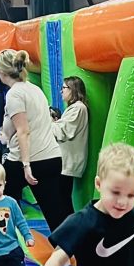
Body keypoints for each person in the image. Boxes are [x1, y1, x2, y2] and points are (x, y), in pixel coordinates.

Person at [0, 48, 69, 232]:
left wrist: (26, 165)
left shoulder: (14, 94)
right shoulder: (34, 89)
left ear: (2, 72)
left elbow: (24, 131)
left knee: (1, 199)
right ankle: (67, 250)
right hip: (51, 156)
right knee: (55, 211)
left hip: (27, 159)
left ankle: (6, 239)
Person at [52, 76, 89, 211]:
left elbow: (63, 131)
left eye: (64, 88)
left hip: (67, 162)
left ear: (73, 89)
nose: (61, 91)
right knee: (62, 199)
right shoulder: (75, 108)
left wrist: (46, 122)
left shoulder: (78, 108)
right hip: (66, 162)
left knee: (62, 201)